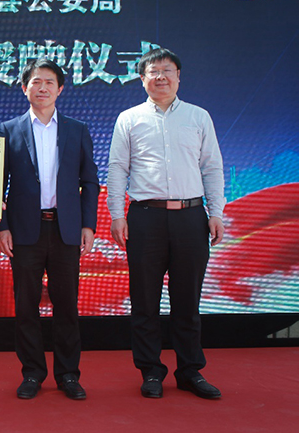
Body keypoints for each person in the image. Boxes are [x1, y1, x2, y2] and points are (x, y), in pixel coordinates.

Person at [107, 47, 225, 400]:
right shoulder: (129, 119)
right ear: (142, 78)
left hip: (191, 216)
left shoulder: (198, 116)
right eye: (153, 71)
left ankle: (190, 371)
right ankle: (150, 371)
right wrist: (117, 215)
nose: (160, 77)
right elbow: (118, 168)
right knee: (145, 299)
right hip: (146, 217)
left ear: (178, 76)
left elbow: (212, 166)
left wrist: (216, 212)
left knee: (187, 299)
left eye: (167, 70)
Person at [0, 59, 99, 400]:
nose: (42, 88)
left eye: (49, 82)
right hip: (25, 231)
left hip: (66, 230)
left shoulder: (76, 130)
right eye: (36, 82)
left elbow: (90, 182)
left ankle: (68, 375)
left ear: (60, 89)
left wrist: (88, 225)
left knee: (66, 306)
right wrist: (0, 227)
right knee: (26, 306)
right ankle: (32, 374)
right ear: (25, 88)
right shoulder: (9, 130)